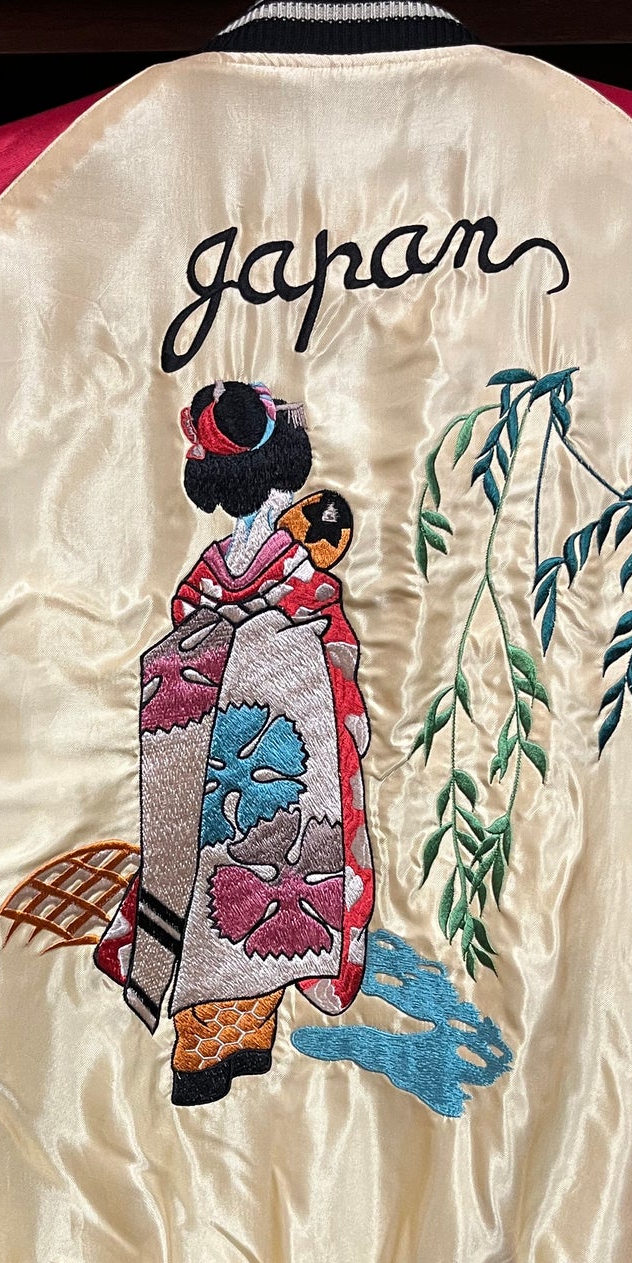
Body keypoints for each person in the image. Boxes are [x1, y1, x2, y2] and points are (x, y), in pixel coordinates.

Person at [96, 380, 373, 1105]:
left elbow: (321, 631)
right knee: (217, 887)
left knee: (271, 886)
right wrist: (234, 635)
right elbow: (191, 623)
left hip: (282, 750)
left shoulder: (294, 556)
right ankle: (220, 1043)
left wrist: (258, 637)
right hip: (225, 754)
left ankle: (238, 1037)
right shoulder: (226, 564)